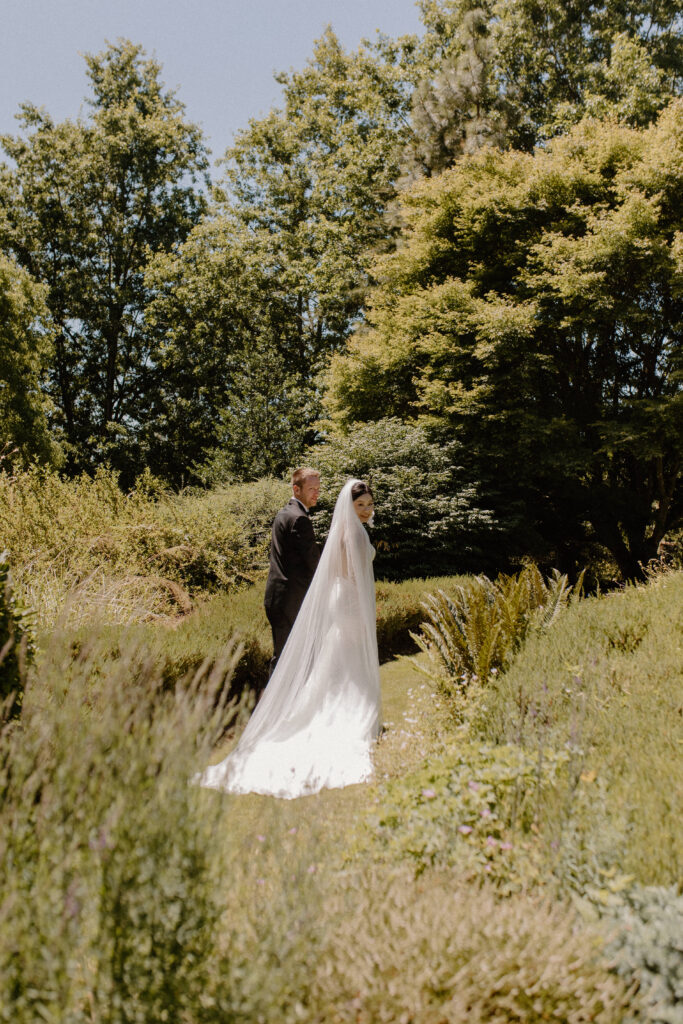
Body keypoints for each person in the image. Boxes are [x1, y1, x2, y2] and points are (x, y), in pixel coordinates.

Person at [198, 479, 381, 799]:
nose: (365, 510)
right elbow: (350, 574)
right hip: (349, 602)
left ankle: (333, 707)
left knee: (337, 661)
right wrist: (361, 608)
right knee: (346, 657)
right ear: (348, 507)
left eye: (368, 504)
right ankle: (345, 715)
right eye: (359, 505)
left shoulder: (347, 531)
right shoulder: (351, 532)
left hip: (344, 599)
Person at [264, 467, 321, 677]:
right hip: (290, 600)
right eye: (311, 489)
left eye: (318, 488)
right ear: (296, 489)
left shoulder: (285, 513)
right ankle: (271, 708)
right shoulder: (300, 519)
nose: (316, 493)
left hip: (279, 597)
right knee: (286, 661)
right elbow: (314, 563)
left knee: (284, 657)